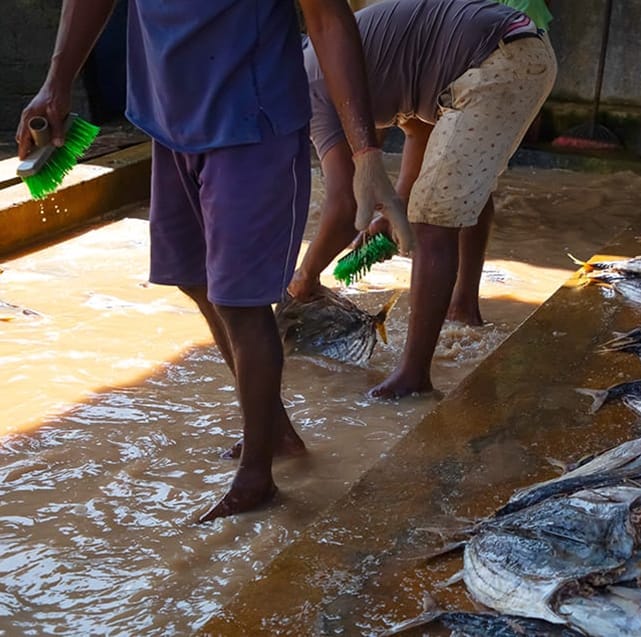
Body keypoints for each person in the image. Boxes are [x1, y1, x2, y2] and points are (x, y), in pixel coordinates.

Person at [16, 0, 408, 523]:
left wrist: (365, 154)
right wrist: (57, 80)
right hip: (168, 119)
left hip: (253, 125)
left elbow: (327, 17)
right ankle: (277, 432)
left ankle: (257, 478)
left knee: (241, 303)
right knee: (195, 280)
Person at [289, 0, 557, 399]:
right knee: (460, 187)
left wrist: (305, 278)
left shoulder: (307, 88)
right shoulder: (321, 58)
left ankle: (414, 377)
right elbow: (418, 129)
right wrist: (397, 205)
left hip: (495, 63)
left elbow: (345, 204)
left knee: (432, 217)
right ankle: (463, 307)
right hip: (519, 50)